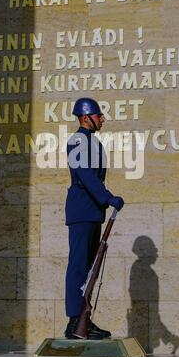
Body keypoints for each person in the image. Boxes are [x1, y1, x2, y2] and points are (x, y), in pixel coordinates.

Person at [64, 97, 125, 339]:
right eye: (99, 115)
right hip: (82, 210)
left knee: (89, 270)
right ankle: (73, 322)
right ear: (86, 117)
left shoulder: (93, 141)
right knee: (78, 267)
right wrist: (107, 197)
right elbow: (86, 175)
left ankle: (84, 320)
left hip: (91, 212)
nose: (102, 119)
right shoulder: (78, 140)